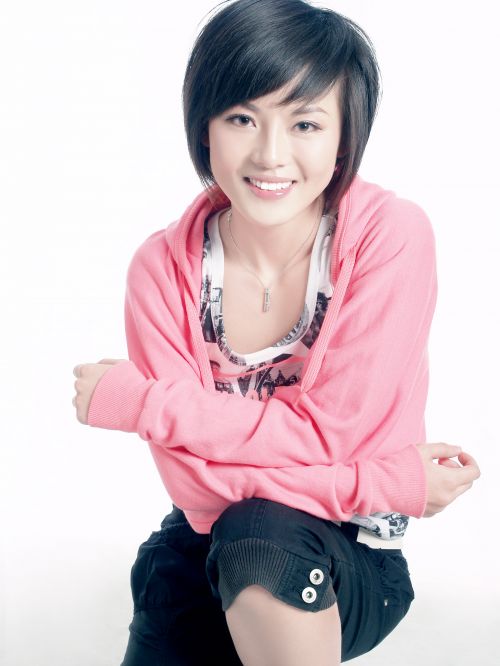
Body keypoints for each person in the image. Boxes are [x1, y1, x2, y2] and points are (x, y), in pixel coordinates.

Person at [72, 0, 481, 663]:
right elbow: (198, 491)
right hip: (199, 546)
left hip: (347, 554)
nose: (270, 155)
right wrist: (382, 481)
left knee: (257, 533)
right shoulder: (162, 269)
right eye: (241, 118)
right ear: (205, 128)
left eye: (305, 123)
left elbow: (334, 434)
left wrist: (146, 404)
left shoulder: (389, 237)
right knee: (211, 545)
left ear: (343, 138)